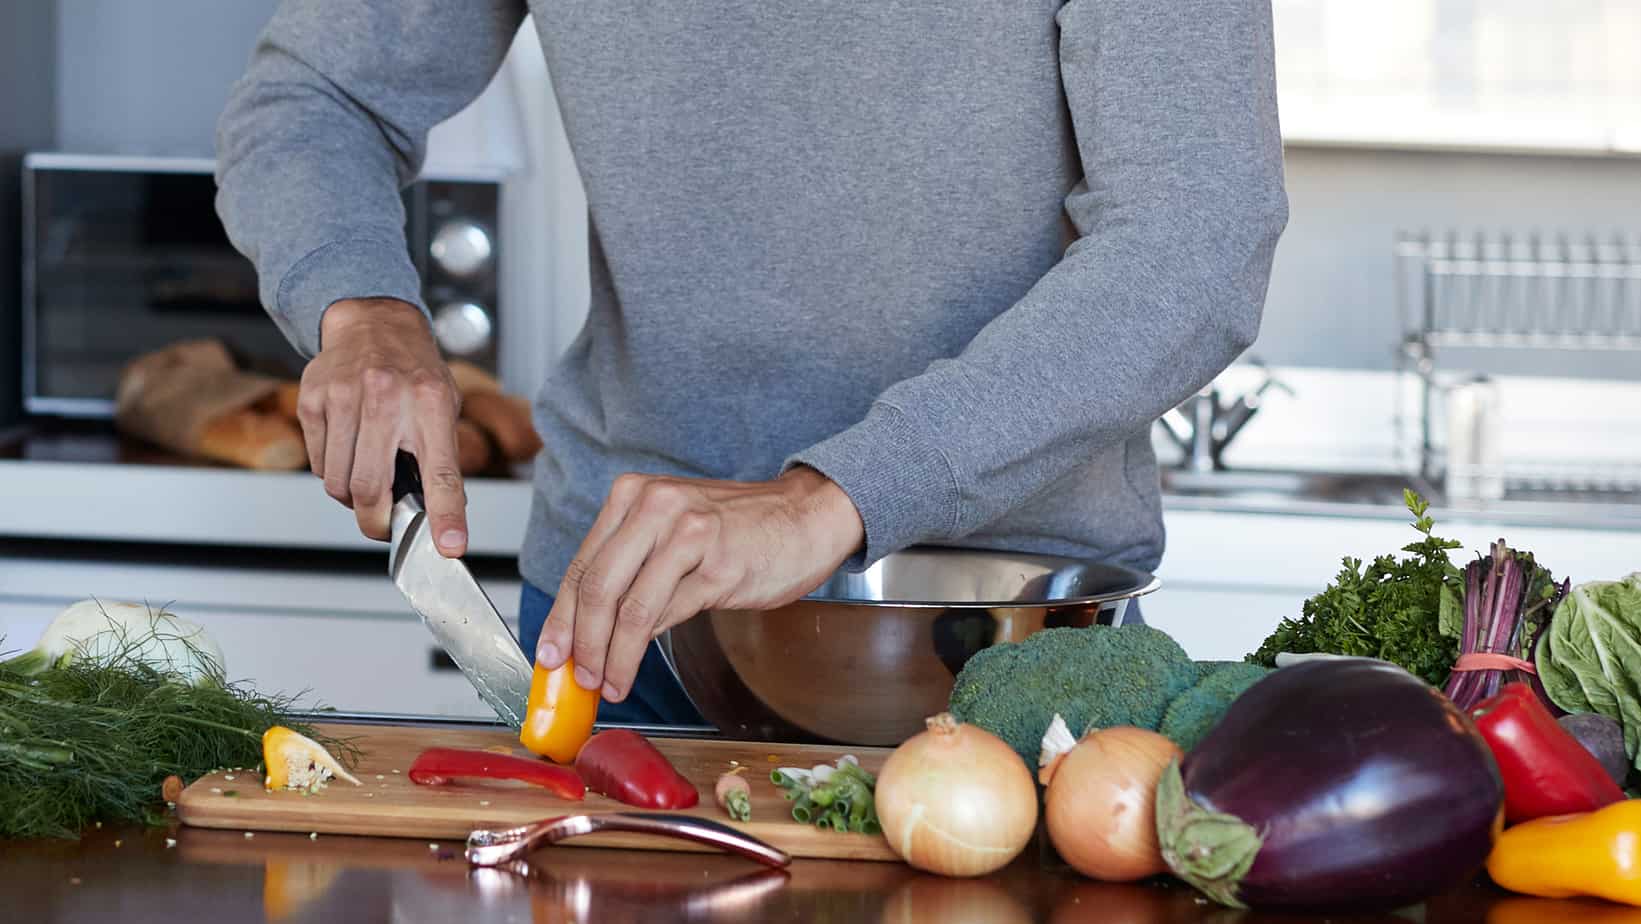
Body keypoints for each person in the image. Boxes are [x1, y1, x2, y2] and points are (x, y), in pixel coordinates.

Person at [216, 0, 1287, 725]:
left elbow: (1196, 236)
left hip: (1006, 649)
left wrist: (830, 500)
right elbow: (317, 95)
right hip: (624, 636)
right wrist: (362, 309)